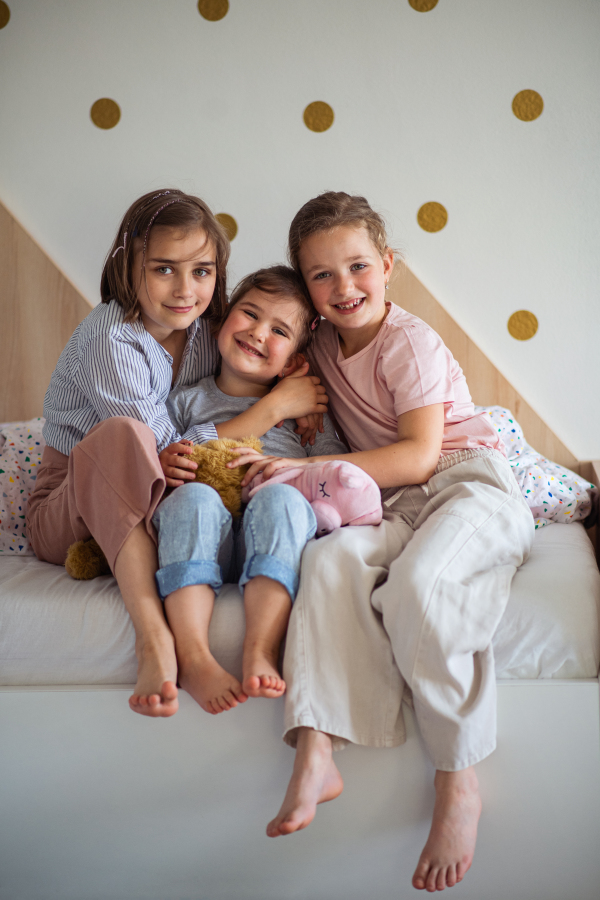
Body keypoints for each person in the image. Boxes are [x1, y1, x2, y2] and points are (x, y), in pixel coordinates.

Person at [233, 193, 534, 892]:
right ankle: (317, 749)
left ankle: (458, 778)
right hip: (385, 501)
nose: (345, 288)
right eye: (322, 276)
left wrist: (305, 468)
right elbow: (252, 365)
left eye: (359, 267)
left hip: (466, 486)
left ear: (388, 265)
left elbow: (420, 457)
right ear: (306, 289)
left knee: (423, 585)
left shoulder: (411, 343)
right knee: (328, 560)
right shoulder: (320, 349)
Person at [26, 189, 327, 719]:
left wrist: (302, 394)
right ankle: (157, 642)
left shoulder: (209, 331)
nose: (186, 290)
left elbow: (259, 361)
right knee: (126, 435)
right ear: (129, 266)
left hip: (157, 494)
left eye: (203, 271)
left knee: (194, 491)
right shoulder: (112, 336)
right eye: (164, 269)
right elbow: (170, 450)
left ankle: (226, 632)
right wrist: (276, 407)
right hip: (71, 504)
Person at [152, 266, 346, 715]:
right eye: (250, 314)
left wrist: (286, 467)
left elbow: (333, 476)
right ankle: (194, 655)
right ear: (223, 320)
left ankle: (260, 647)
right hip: (203, 536)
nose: (258, 333)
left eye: (279, 330)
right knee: (195, 498)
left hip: (271, 536)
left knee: (282, 498)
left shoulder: (310, 415)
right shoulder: (185, 400)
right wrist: (165, 459)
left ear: (296, 359)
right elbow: (169, 455)